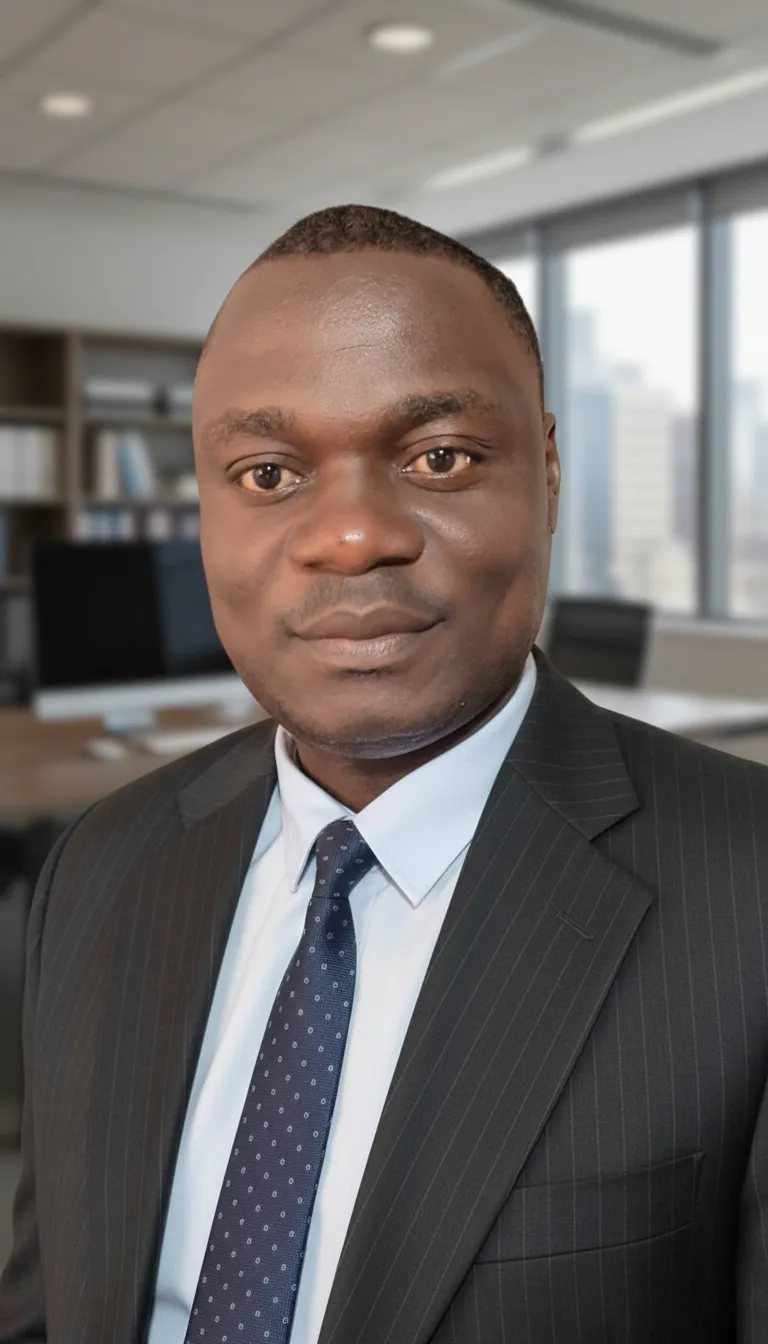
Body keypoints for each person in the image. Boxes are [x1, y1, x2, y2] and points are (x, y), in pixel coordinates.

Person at [1, 204, 768, 1344]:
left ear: (549, 471)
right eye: (268, 472)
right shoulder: (100, 865)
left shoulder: (749, 893)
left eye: (440, 457)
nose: (352, 536)